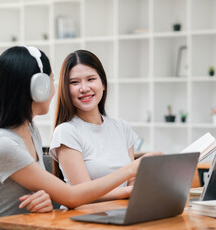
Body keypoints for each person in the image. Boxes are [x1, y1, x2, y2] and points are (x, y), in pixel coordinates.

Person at [0, 46, 144, 230]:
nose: (55, 89)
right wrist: (132, 169)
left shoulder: (30, 130)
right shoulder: (2, 144)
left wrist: (44, 200)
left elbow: (38, 192)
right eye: (51, 80)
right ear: (39, 88)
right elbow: (71, 196)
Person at [50, 50, 146, 202]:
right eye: (74, 82)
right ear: (66, 89)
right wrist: (130, 190)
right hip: (84, 217)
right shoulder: (66, 132)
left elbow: (131, 182)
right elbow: (82, 194)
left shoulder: (122, 127)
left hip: (122, 212)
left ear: (103, 84)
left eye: (90, 79)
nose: (84, 88)